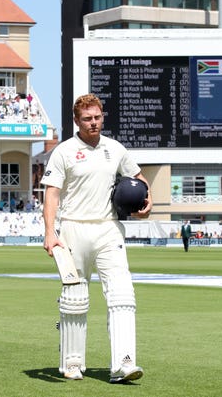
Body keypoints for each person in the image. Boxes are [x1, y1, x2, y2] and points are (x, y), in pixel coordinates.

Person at [41, 93, 152, 384]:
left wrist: (146, 202)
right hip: (73, 229)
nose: (94, 122)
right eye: (87, 118)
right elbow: (51, 193)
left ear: (103, 116)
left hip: (108, 228)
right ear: (77, 121)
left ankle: (124, 364)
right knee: (74, 299)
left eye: (97, 117)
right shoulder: (64, 151)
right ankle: (72, 362)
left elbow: (139, 180)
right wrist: (49, 232)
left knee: (122, 295)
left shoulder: (115, 149)